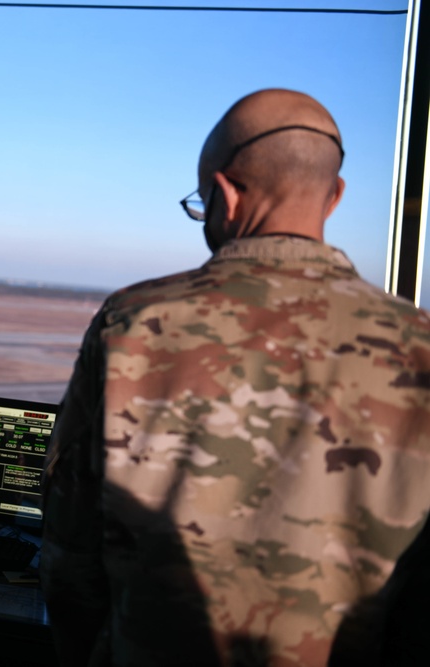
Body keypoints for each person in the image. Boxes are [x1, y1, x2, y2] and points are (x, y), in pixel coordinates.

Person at [39, 89, 430, 667]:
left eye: (201, 202)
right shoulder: (419, 346)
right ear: (336, 195)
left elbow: (70, 546)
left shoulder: (135, 322)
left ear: (223, 192)